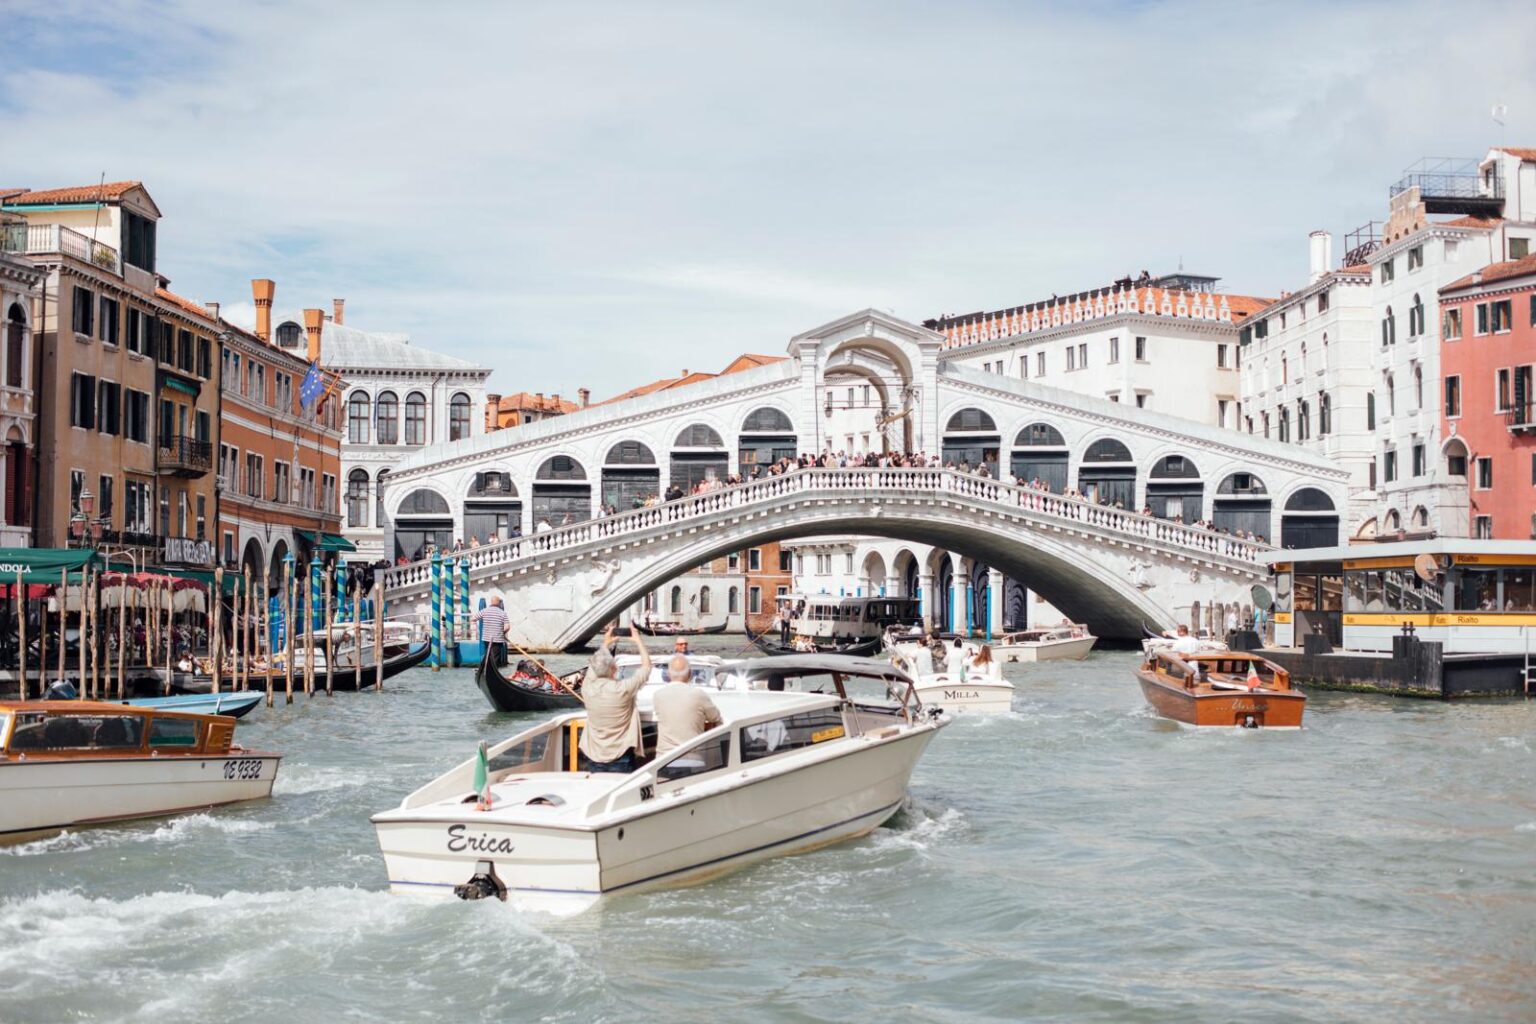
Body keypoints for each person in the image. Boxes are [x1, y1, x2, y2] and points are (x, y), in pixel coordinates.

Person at [579, 624, 650, 773]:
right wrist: (638, 641)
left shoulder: (587, 687)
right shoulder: (623, 689)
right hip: (621, 755)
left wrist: (606, 642)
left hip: (594, 756)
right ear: (613, 669)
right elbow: (646, 667)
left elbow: (594, 666)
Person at [652, 653, 723, 759]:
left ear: (668, 675)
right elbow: (715, 717)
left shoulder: (657, 696)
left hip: (663, 760)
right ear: (690, 674)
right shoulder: (698, 694)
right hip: (693, 757)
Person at [470, 595, 510, 667]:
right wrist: (502, 632)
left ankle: (486, 669)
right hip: (498, 638)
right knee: (495, 657)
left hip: (487, 638)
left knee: (488, 654)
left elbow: (473, 619)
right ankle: (492, 671)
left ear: (491, 602)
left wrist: (479, 627)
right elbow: (507, 627)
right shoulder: (502, 613)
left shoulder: (484, 611)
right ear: (498, 603)